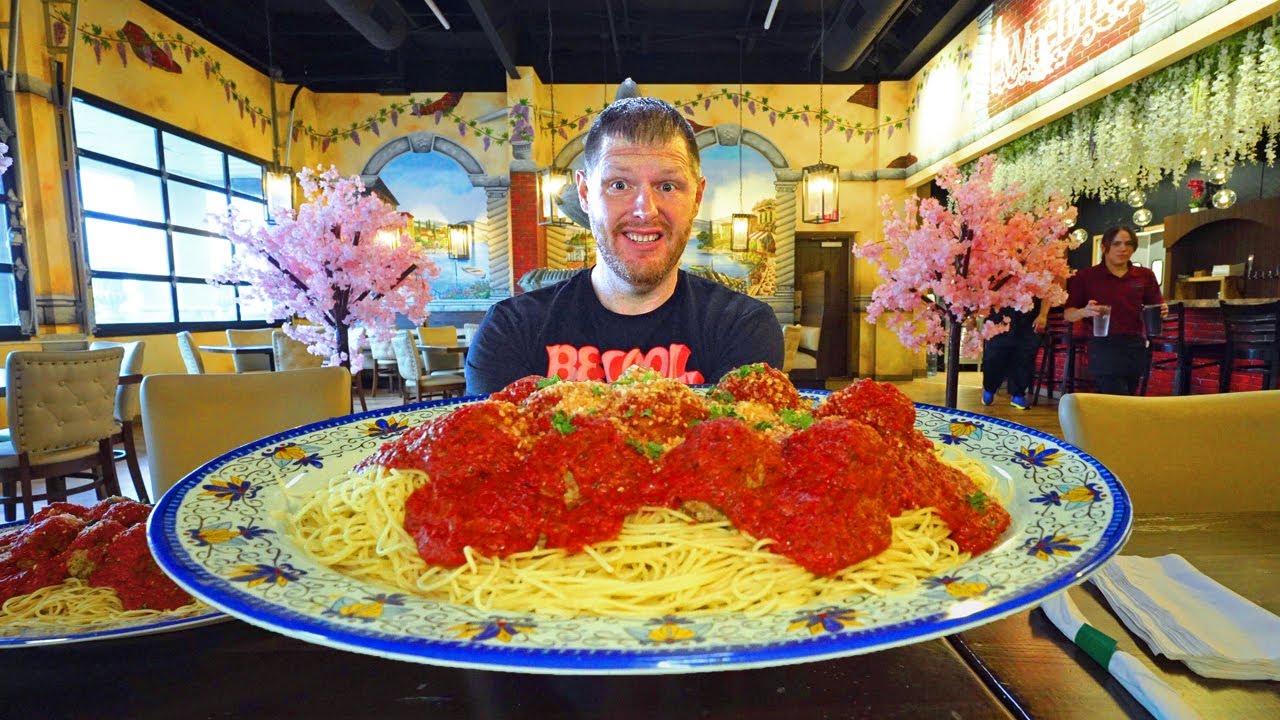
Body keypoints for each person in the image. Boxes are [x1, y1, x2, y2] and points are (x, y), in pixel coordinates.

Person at [465, 97, 783, 395]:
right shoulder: (510, 330)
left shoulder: (743, 327)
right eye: (619, 185)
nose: (645, 210)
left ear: (697, 197)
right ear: (586, 194)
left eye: (668, 185)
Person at [1063, 226, 1166, 395]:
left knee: (1129, 396)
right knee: (1113, 395)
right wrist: (1085, 312)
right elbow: (1068, 314)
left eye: (1128, 244)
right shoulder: (1086, 276)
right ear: (1104, 247)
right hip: (1103, 344)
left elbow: (1155, 306)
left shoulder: (1145, 275)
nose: (1123, 249)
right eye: (1117, 244)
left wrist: (1162, 311)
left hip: (1135, 344)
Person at [981, 299, 1049, 410]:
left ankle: (1018, 394)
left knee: (1025, 356)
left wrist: (1043, 314)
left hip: (1029, 315)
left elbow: (1048, 293)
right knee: (994, 354)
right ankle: (989, 387)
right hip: (1000, 312)